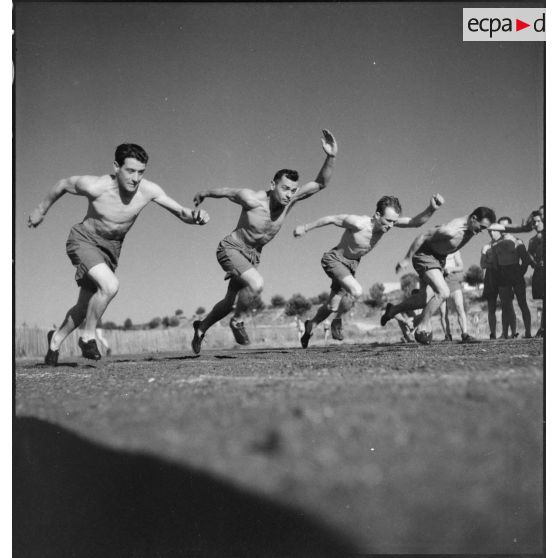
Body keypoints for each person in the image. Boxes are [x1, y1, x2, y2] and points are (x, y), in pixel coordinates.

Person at [28, 143, 209, 365]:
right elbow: (63, 184)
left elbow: (182, 212)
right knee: (110, 286)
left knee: (84, 306)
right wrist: (40, 210)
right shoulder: (96, 186)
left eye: (140, 172)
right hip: (84, 240)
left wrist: (197, 216)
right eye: (130, 171)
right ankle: (87, 337)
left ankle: (55, 340)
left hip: (111, 250)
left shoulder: (148, 191)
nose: (135, 178)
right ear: (116, 167)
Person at [190, 130, 338, 354]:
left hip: (252, 256)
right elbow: (227, 192)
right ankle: (238, 321)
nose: (289, 194)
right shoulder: (253, 199)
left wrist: (331, 156)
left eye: (292, 190)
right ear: (273, 184)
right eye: (284, 188)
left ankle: (201, 328)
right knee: (257, 284)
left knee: (229, 302)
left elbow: (320, 183)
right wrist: (204, 193)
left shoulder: (291, 200)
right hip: (231, 248)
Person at [294, 193, 444, 348]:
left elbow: (415, 222)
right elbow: (332, 219)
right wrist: (305, 228)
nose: (391, 226)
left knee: (332, 305)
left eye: (394, 221)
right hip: (335, 259)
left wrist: (432, 208)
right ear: (378, 215)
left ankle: (311, 325)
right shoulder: (359, 223)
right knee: (356, 291)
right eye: (388, 221)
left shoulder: (387, 223)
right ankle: (337, 321)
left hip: (350, 265)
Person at [380, 207, 531, 344]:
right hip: (425, 256)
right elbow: (423, 236)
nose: (481, 231)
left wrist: (523, 228)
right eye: (481, 227)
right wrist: (407, 258)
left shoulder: (476, 224)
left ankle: (393, 310)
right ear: (473, 219)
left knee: (423, 300)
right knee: (443, 292)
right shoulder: (451, 230)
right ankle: (422, 327)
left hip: (438, 259)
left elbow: (502, 226)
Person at [492, 216, 531, 338]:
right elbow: (495, 263)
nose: (504, 229)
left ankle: (528, 332)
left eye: (507, 226)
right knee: (505, 305)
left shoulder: (517, 241)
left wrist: (520, 273)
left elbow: (525, 260)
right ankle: (505, 333)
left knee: (522, 303)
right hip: (503, 274)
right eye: (501, 227)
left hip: (516, 272)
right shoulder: (496, 244)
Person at [438, 250, 471, 342]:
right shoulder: (436, 249)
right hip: (440, 281)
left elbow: (461, 266)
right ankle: (447, 335)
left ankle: (465, 333)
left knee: (459, 307)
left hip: (453, 280)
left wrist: (451, 269)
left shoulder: (455, 250)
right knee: (443, 311)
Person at [480, 229, 502, 339]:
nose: (491, 233)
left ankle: (507, 332)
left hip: (503, 274)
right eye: (490, 232)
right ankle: (493, 333)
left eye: (494, 231)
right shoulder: (486, 247)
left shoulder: (505, 244)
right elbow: (482, 264)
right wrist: (492, 264)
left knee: (506, 304)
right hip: (490, 276)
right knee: (491, 306)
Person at [528, 211, 544, 337]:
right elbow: (530, 255)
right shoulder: (533, 240)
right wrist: (535, 262)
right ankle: (543, 328)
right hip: (540, 271)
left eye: (539, 221)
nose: (536, 224)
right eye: (534, 222)